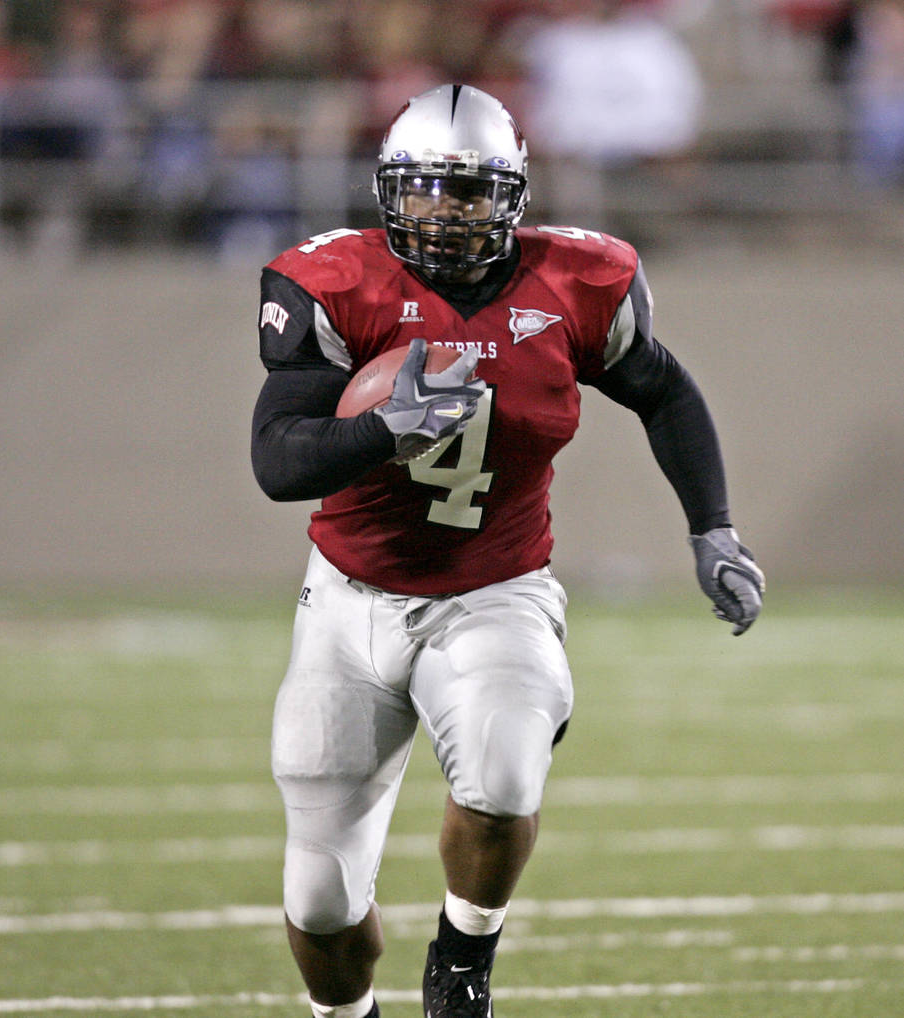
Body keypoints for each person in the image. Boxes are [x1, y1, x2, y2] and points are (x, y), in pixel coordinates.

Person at [250, 83, 764, 1018]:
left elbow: (667, 394)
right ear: (386, 192)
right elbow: (277, 461)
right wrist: (384, 433)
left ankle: (462, 960)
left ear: (515, 195)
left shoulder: (578, 281)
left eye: (471, 192)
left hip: (497, 586)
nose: (445, 214)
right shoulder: (334, 284)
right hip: (350, 599)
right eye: (426, 190)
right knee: (321, 902)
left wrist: (711, 526)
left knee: (504, 771)